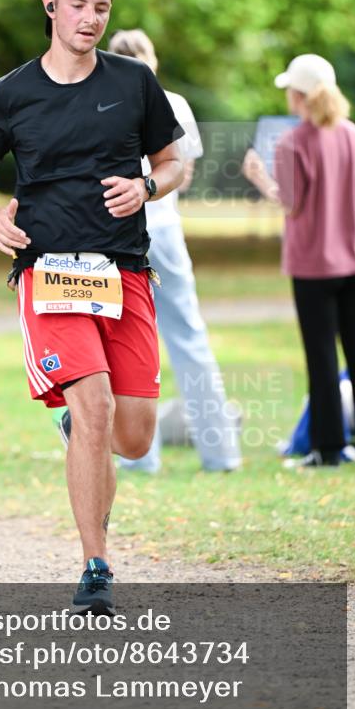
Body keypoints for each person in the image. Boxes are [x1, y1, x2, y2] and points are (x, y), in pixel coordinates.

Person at [0, 0, 184, 612]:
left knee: (133, 436)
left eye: (101, 8)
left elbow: (172, 163)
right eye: (78, 4)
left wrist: (144, 185)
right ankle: (95, 568)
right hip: (47, 272)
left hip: (124, 272)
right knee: (94, 410)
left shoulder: (136, 83)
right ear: (50, 7)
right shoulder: (8, 94)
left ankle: (80, 430)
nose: (90, 17)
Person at [101, 29, 241, 473]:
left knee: (128, 344)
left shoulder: (106, 101)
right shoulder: (176, 103)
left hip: (122, 236)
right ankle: (221, 454)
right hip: (167, 229)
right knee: (190, 337)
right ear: (152, 59)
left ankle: (141, 456)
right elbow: (182, 169)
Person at [243, 54, 355, 467]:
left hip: (313, 266)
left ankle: (328, 448)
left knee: (322, 357)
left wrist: (260, 176)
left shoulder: (294, 142)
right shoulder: (353, 135)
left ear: (300, 95)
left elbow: (291, 204)